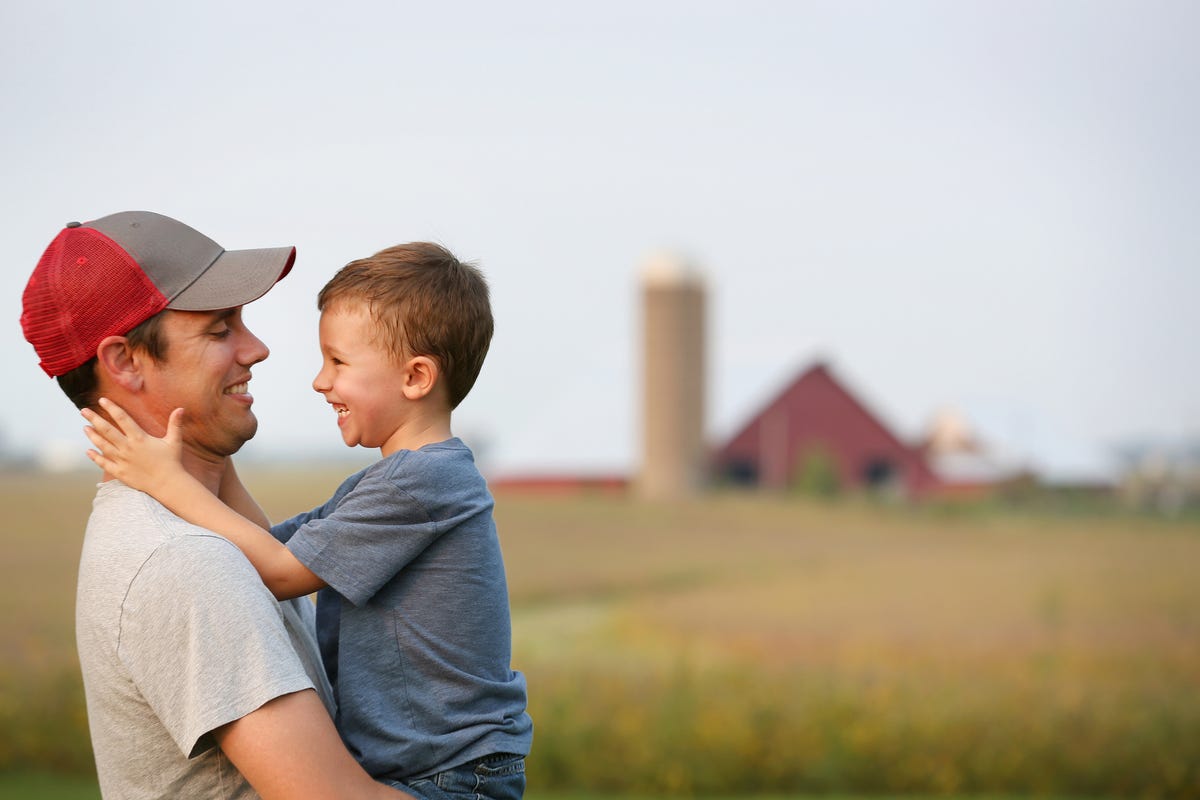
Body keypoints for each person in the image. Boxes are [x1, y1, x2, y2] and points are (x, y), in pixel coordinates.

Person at [84, 242, 534, 800]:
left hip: (450, 778)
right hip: (428, 768)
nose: (320, 381)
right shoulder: (393, 484)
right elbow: (270, 544)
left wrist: (167, 480)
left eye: (338, 363)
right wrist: (208, 452)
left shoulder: (421, 485)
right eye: (220, 330)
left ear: (416, 377)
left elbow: (278, 571)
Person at [20, 211, 413, 800]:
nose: (257, 349)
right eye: (219, 328)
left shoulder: (192, 528)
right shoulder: (184, 564)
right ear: (125, 361)